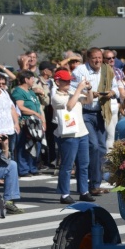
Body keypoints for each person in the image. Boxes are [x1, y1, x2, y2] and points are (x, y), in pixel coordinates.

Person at [71, 47, 119, 196]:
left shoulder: (107, 70)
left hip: (100, 112)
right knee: (93, 146)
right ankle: (87, 184)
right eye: (94, 58)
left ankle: (95, 184)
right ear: (88, 59)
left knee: (102, 148)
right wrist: (90, 93)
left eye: (100, 58)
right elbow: (72, 91)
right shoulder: (79, 71)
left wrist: (111, 93)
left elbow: (116, 88)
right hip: (85, 112)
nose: (98, 61)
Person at [52, 69, 95, 204]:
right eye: (65, 81)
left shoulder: (72, 92)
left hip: (82, 132)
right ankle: (64, 194)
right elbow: (70, 106)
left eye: (69, 81)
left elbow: (88, 101)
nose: (68, 83)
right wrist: (78, 90)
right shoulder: (56, 97)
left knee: (83, 164)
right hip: (67, 135)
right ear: (57, 82)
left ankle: (84, 191)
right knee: (67, 165)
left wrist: (89, 89)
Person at [12, 70, 45, 177]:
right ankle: (23, 169)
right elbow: (20, 107)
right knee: (23, 146)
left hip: (36, 123)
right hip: (25, 122)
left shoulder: (31, 92)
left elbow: (38, 106)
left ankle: (33, 167)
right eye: (32, 79)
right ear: (26, 79)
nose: (33, 80)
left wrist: (42, 120)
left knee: (36, 145)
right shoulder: (18, 91)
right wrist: (34, 113)